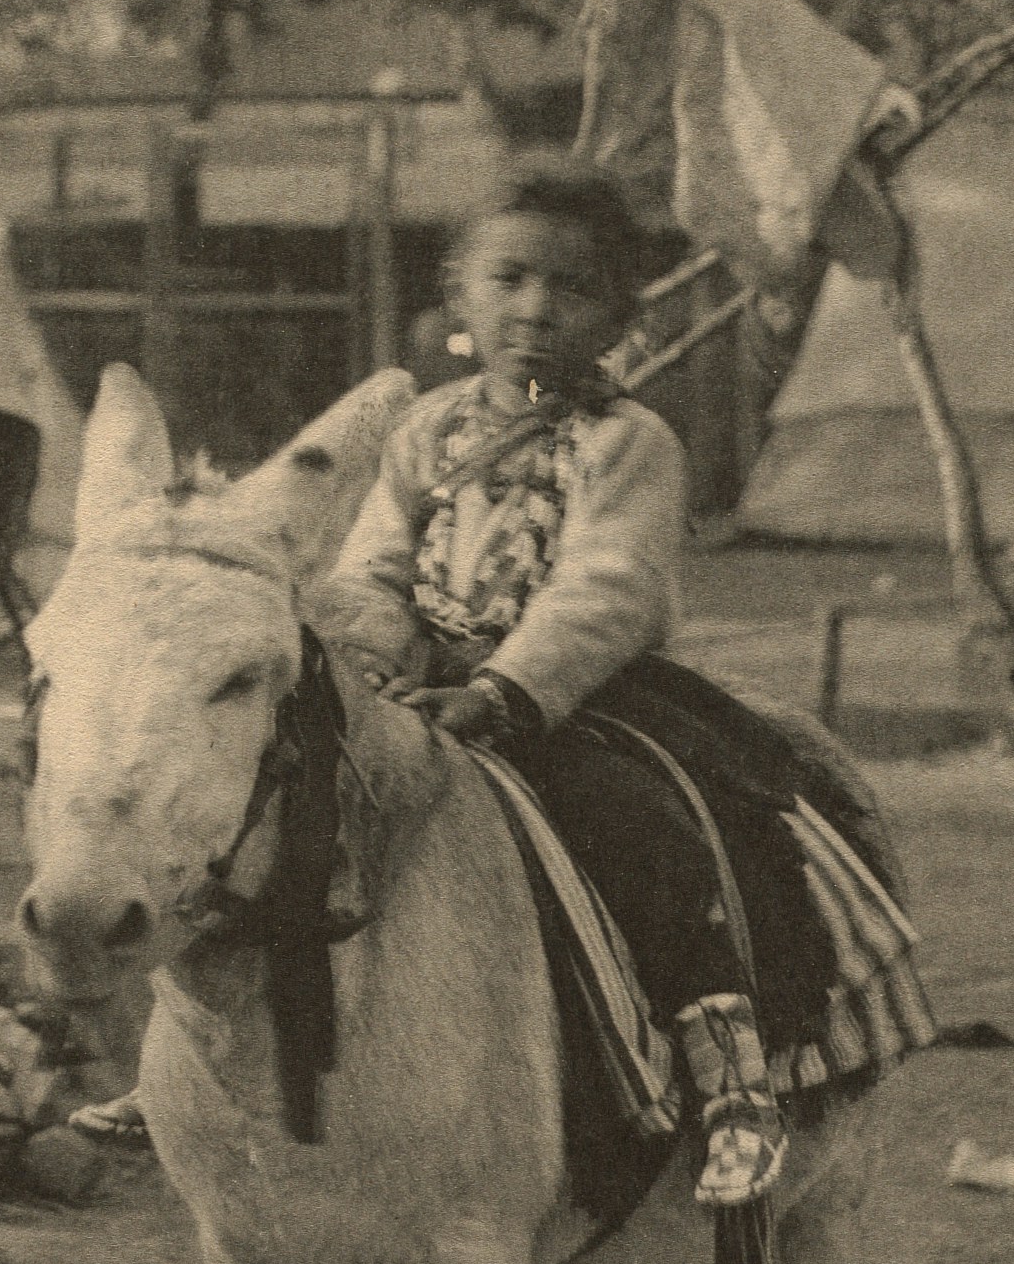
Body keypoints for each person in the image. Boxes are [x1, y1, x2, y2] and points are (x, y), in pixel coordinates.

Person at [318, 157, 800, 1206]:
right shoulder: (427, 431)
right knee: (293, 799)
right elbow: (372, 563)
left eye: (570, 288)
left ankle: (729, 1086)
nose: (534, 310)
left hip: (574, 697)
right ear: (457, 296)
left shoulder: (627, 443)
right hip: (423, 689)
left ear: (620, 313)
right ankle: (262, 1049)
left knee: (640, 830)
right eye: (508, 280)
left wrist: (500, 693)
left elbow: (604, 591)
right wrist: (374, 654)